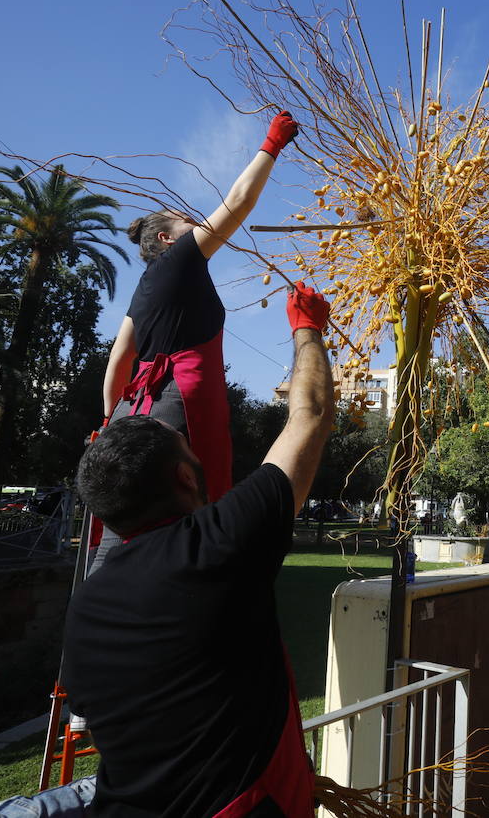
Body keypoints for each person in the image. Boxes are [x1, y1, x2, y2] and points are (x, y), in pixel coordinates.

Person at [62, 281, 333, 817]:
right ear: (186, 477)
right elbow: (312, 414)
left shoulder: (85, 608)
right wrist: (306, 328)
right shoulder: (217, 547)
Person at [103, 110, 301, 503]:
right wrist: (272, 145)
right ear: (167, 239)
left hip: (134, 412)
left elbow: (119, 359)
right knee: (190, 512)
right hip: (179, 410)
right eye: (188, 222)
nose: (198, 223)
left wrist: (110, 425)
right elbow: (238, 203)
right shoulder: (177, 260)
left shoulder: (143, 289)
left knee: (140, 513)